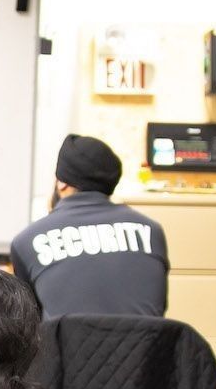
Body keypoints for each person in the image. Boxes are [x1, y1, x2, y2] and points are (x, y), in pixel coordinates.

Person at [10, 133, 169, 318]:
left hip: (67, 347)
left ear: (61, 182)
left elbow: (28, 322)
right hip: (145, 347)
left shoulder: (27, 241)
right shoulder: (152, 232)